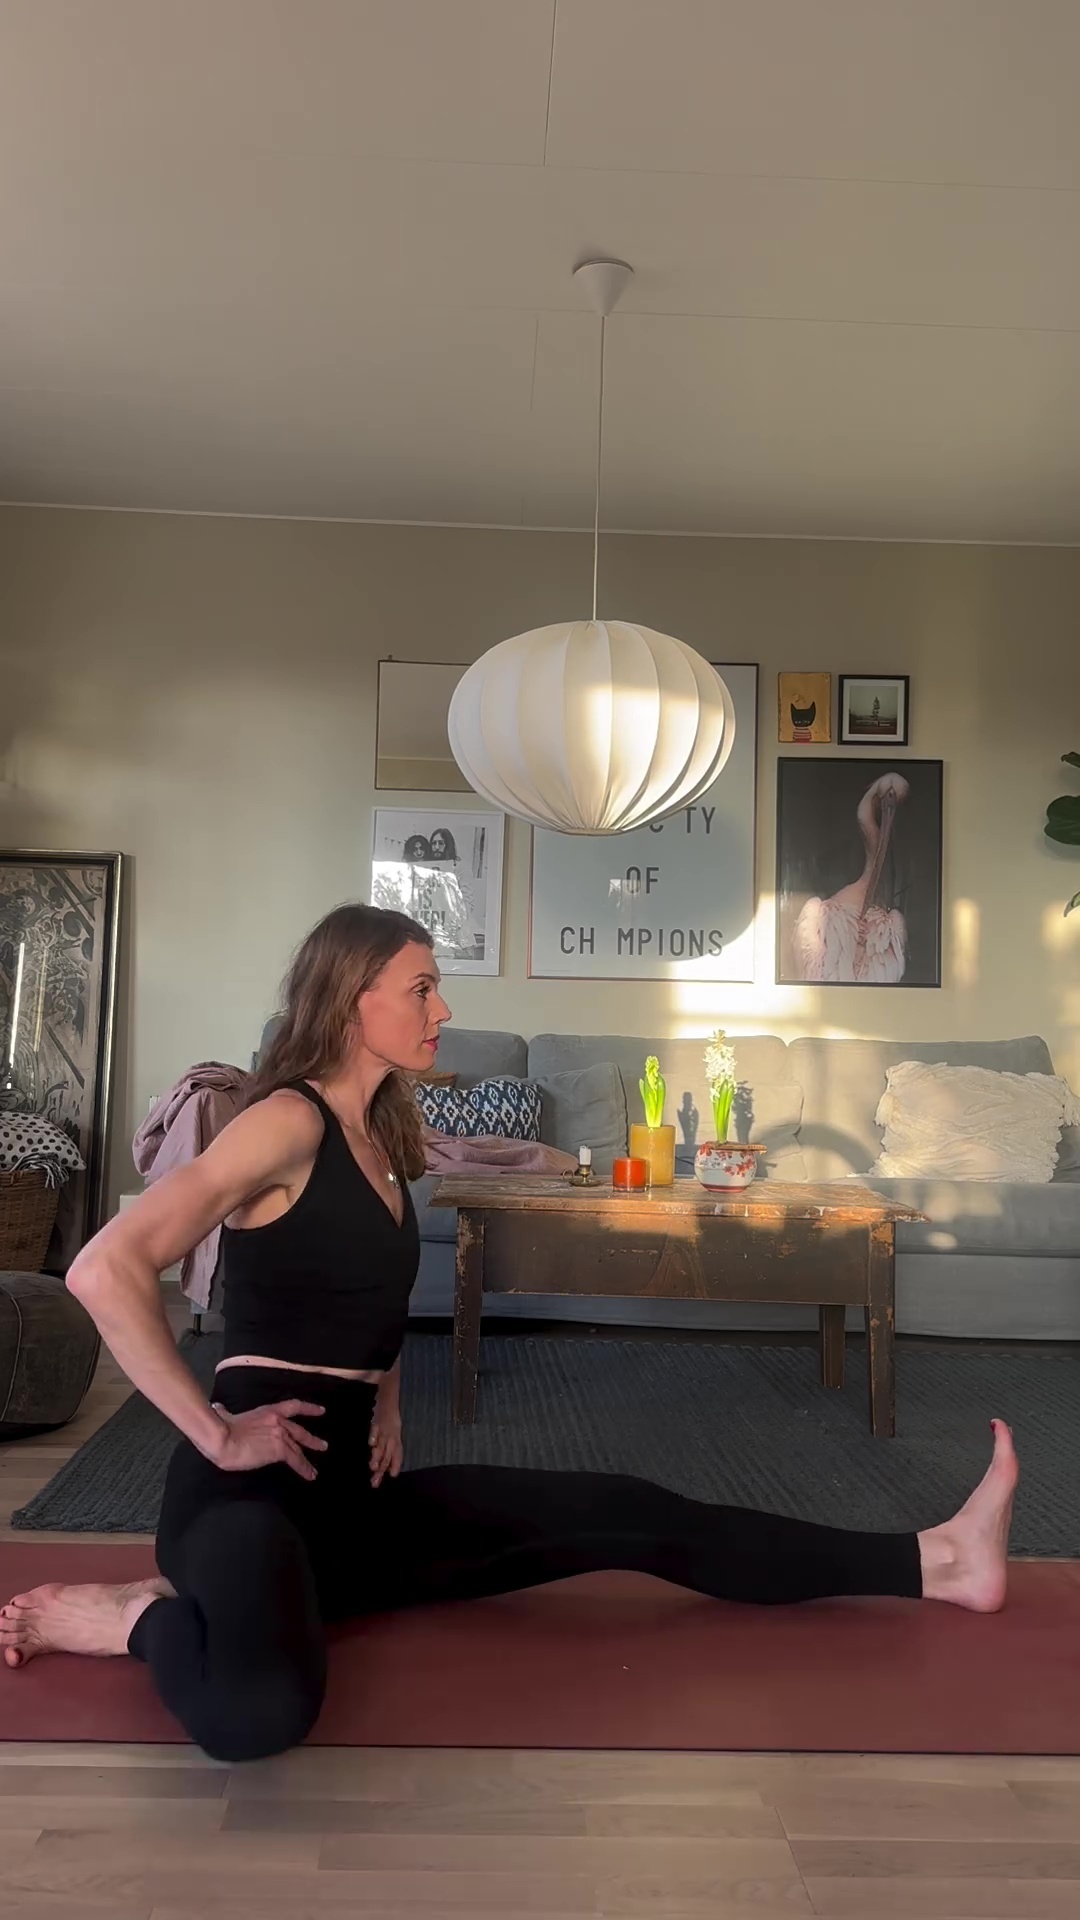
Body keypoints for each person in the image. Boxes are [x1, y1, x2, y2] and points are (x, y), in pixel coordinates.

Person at [0, 905, 1018, 1763]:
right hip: (248, 1499)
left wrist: (385, 1395)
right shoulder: (288, 1122)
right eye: (421, 989)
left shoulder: (384, 1137)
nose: (442, 1010)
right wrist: (216, 1434)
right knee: (258, 1713)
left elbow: (357, 1293)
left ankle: (936, 1561)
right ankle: (136, 1616)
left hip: (352, 1503)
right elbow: (104, 1267)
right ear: (353, 999)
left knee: (631, 1513)